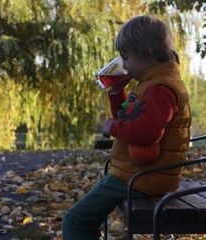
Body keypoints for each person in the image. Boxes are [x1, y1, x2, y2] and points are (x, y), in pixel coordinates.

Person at [62, 15, 191, 239]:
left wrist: (112, 127)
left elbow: (147, 133)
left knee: (75, 221)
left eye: (126, 57)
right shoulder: (149, 83)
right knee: (80, 217)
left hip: (144, 178)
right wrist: (116, 92)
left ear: (147, 53)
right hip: (137, 173)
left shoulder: (161, 88)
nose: (124, 64)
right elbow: (129, 118)